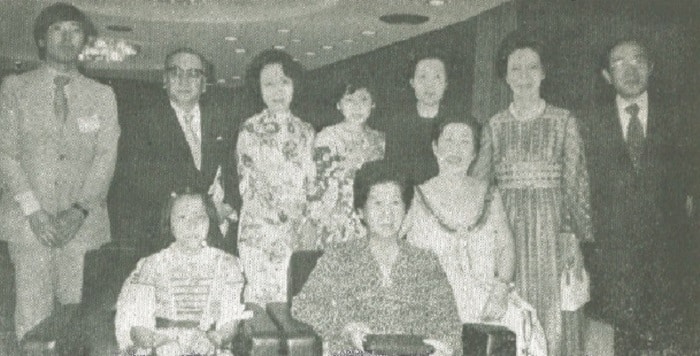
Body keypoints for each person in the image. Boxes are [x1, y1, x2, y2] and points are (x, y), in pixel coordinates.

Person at [0, 2, 120, 343]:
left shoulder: (102, 95)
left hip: (83, 227)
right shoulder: (14, 88)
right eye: (57, 30)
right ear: (41, 39)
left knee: (78, 321)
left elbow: (105, 157)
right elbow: (5, 154)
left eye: (75, 30)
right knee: (33, 320)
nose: (67, 38)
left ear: (84, 40)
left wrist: (79, 211)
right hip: (28, 226)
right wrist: (34, 212)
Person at [471, 33, 593, 356]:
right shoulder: (494, 126)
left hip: (554, 228)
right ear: (505, 75)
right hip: (506, 226)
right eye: (515, 69)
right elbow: (480, 186)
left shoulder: (564, 121)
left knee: (556, 309)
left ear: (543, 72)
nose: (524, 76)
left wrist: (571, 233)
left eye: (532, 68)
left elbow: (576, 182)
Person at [580, 39, 690, 354]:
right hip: (612, 265)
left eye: (638, 60)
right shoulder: (587, 125)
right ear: (605, 74)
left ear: (651, 67)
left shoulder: (681, 121)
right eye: (619, 62)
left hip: (670, 268)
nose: (630, 69)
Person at [404, 117, 547, 356]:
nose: (455, 149)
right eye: (448, 140)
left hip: (485, 295)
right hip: (431, 300)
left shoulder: (489, 194)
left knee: (524, 328)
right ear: (435, 147)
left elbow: (506, 247)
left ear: (474, 153)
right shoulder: (416, 195)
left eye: (464, 142)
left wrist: (500, 292)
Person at [292, 160, 462, 356]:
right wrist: (346, 328)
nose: (387, 213)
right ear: (361, 211)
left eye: (395, 203)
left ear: (406, 210)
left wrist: (443, 348)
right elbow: (303, 306)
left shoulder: (426, 262)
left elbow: (449, 324)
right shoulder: (340, 257)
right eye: (378, 203)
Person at [110, 47, 238, 252]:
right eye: (176, 72)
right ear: (165, 80)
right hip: (163, 239)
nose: (184, 80)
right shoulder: (142, 123)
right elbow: (134, 185)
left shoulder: (224, 121)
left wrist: (225, 208)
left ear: (204, 84)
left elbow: (236, 173)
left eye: (193, 73)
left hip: (215, 239)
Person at [115, 189, 248, 356]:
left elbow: (230, 320)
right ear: (170, 223)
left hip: (208, 346)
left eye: (199, 217)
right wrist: (159, 342)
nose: (191, 226)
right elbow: (137, 326)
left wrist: (215, 339)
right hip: (161, 345)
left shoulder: (227, 264)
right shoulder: (152, 265)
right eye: (182, 218)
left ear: (210, 221)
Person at [236, 49, 315, 306]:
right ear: (258, 89)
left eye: (284, 82)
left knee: (291, 298)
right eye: (268, 84)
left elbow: (311, 183)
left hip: (295, 231)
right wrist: (277, 216)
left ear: (294, 85)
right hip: (259, 230)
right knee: (260, 301)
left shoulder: (307, 131)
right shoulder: (250, 128)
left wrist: (304, 223)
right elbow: (247, 183)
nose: (277, 91)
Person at [306, 80, 385, 248]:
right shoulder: (327, 137)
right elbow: (318, 185)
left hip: (372, 220)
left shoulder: (380, 140)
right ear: (338, 104)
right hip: (336, 220)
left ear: (373, 103)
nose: (357, 107)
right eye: (349, 100)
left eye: (364, 99)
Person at [377, 53, 452, 185]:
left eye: (437, 77)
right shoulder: (397, 123)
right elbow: (391, 171)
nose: (429, 85)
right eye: (423, 77)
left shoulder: (457, 123)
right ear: (412, 82)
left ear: (446, 84)